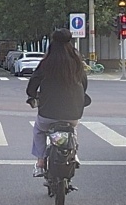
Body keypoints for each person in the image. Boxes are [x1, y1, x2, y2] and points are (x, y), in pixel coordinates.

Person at [24, 28, 91, 176]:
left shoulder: (47, 63)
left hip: (48, 112)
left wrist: (32, 96)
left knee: (39, 130)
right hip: (73, 112)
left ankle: (40, 161)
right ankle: (73, 153)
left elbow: (33, 83)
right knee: (72, 128)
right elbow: (84, 84)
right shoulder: (77, 62)